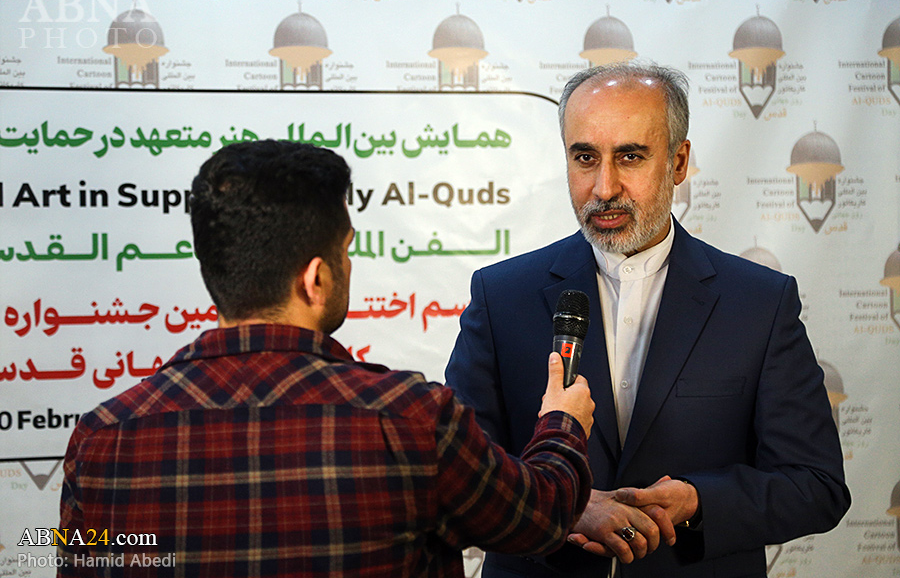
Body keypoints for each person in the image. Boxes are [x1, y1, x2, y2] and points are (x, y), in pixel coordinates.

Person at [57, 140, 596, 577]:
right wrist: (562, 422)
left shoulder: (101, 438)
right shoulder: (412, 420)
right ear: (315, 278)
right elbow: (540, 515)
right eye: (346, 250)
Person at [445, 61, 851, 578]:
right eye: (585, 157)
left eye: (630, 156)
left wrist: (698, 502)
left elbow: (815, 485)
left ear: (678, 162)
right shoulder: (501, 295)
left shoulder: (760, 303)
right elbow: (455, 477)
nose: (604, 187)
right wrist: (561, 507)